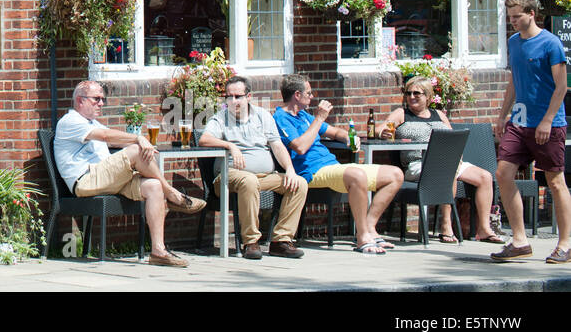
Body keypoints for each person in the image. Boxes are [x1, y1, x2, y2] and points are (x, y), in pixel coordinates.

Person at [54, 80, 206, 267]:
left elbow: (111, 140)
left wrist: (145, 146)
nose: (101, 103)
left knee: (153, 186)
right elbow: (105, 137)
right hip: (85, 181)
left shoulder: (92, 123)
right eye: (96, 99)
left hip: (106, 178)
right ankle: (173, 194)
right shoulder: (70, 121)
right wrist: (138, 139)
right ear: (80, 101)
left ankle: (158, 251)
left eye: (103, 99)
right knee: (136, 150)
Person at [274, 76, 403, 254]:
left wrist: (350, 138)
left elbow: (334, 132)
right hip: (311, 172)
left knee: (395, 175)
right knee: (356, 175)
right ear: (297, 95)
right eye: (309, 93)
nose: (312, 97)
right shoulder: (281, 118)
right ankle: (362, 238)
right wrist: (319, 118)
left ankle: (370, 227)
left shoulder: (304, 115)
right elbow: (300, 147)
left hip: (332, 166)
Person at [490, 0, 571, 263]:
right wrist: (502, 116)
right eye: (510, 17)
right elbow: (514, 81)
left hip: (547, 123)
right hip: (519, 121)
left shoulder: (551, 44)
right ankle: (520, 240)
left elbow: (561, 87)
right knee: (503, 173)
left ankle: (566, 243)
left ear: (531, 14)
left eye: (517, 16)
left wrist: (548, 120)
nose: (512, 21)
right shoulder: (514, 43)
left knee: (555, 181)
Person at [380, 75, 502, 244]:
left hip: (448, 160)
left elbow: (454, 140)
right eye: (408, 93)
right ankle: (445, 224)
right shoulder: (402, 114)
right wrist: (383, 132)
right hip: (418, 164)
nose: (411, 97)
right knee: (448, 169)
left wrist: (457, 157)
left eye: (417, 93)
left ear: (428, 97)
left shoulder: (438, 115)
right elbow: (381, 128)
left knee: (485, 177)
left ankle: (484, 228)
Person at [198, 76, 307, 259]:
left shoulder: (263, 116)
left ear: (249, 97)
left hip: (264, 176)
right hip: (228, 177)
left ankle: (281, 241)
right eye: (229, 96)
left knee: (300, 183)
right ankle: (251, 242)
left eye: (238, 96)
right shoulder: (220, 118)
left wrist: (289, 169)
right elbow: (204, 139)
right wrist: (230, 146)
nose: (233, 101)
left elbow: (277, 146)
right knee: (249, 181)